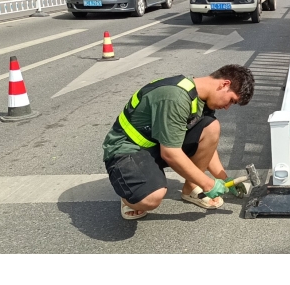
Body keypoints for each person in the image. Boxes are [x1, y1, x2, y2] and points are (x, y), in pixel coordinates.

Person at [102, 64, 255, 220]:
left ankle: (191, 189)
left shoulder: (201, 99)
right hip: (128, 149)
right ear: (224, 84)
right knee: (151, 198)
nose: (228, 107)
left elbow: (207, 144)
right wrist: (208, 184)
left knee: (212, 127)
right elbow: (170, 153)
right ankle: (129, 197)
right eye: (231, 100)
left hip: (157, 144)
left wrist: (224, 178)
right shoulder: (175, 97)